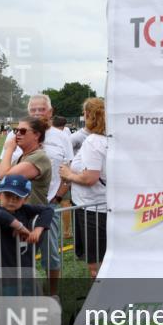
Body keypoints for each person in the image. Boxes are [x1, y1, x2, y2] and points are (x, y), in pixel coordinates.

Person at [3, 95, 72, 292]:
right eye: (33, 110)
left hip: (47, 204)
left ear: (50, 112)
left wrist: (58, 197)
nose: (37, 113)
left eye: (41, 109)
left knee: (50, 254)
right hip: (16, 207)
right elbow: (4, 167)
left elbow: (68, 169)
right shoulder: (15, 135)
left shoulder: (62, 137)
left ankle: (52, 293)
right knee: (18, 253)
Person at [0, 116, 55, 293]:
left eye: (23, 131)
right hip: (19, 218)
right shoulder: (25, 156)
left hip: (30, 220)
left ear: (37, 135)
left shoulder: (39, 157)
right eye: (16, 131)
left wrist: (8, 149)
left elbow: (5, 176)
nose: (17, 134)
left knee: (22, 266)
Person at [59, 98, 108, 278]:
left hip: (93, 209)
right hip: (99, 206)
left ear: (88, 115)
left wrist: (68, 174)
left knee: (96, 265)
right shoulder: (107, 139)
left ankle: (103, 303)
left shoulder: (94, 141)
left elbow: (90, 178)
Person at [0, 175, 50, 294]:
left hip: (27, 271)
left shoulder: (25, 210)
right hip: (6, 275)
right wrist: (20, 227)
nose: (12, 200)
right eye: (8, 195)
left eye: (17, 197)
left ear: (26, 199)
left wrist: (38, 230)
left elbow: (48, 210)